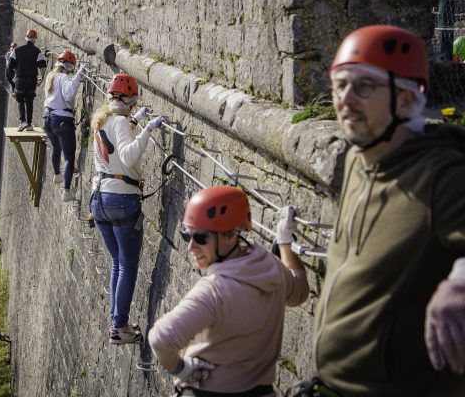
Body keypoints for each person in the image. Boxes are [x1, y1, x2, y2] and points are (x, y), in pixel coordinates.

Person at [306, 25, 465, 396]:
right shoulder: (360, 161)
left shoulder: (441, 173)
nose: (345, 98)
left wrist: (461, 283)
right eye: (339, 85)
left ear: (407, 100)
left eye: (364, 86)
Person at [148, 187, 309, 396]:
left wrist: (184, 370)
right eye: (186, 236)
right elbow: (299, 292)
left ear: (230, 236)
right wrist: (285, 243)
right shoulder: (273, 267)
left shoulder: (214, 291)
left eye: (201, 238)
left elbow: (160, 340)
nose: (190, 247)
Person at [90, 72, 166, 344]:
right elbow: (129, 155)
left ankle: (116, 323)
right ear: (129, 100)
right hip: (121, 200)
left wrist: (135, 121)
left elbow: (115, 143)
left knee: (117, 263)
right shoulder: (121, 121)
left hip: (99, 199)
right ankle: (119, 326)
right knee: (128, 265)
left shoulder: (104, 120)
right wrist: (147, 128)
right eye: (134, 104)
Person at [42, 50, 86, 202]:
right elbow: (69, 94)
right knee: (69, 158)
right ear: (69, 66)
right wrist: (79, 73)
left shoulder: (50, 76)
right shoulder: (63, 77)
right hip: (61, 119)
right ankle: (66, 191)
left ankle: (57, 175)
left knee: (56, 148)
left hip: (47, 118)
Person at [8, 29, 47, 131]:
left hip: (20, 80)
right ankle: (29, 124)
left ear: (26, 37)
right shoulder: (37, 51)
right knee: (29, 101)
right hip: (32, 80)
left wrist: (18, 70)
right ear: (34, 40)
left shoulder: (16, 50)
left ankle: (23, 122)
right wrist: (41, 78)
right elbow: (42, 66)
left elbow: (10, 66)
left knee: (20, 100)